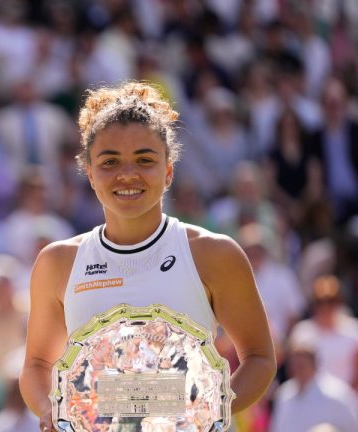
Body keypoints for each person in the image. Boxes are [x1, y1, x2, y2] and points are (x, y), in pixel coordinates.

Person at [19, 82, 276, 431]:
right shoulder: (57, 263)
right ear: (90, 174)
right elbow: (36, 364)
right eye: (110, 162)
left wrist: (201, 413)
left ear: (168, 171)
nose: (128, 174)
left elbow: (260, 358)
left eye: (145, 159)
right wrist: (52, 412)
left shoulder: (214, 253)